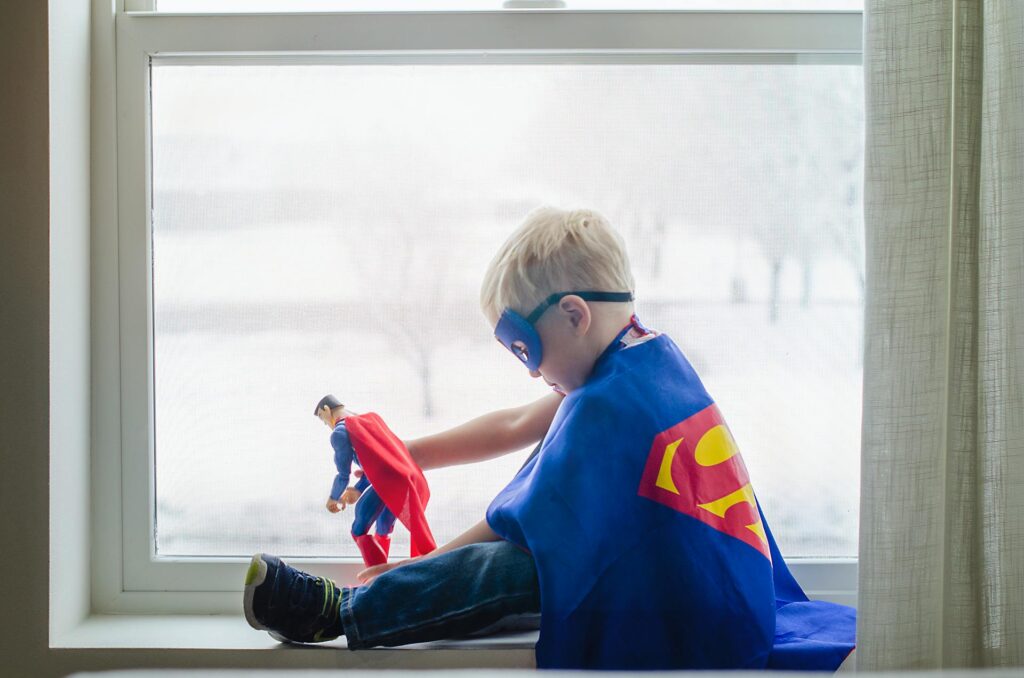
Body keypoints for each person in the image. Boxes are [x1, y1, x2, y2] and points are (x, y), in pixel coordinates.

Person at [243, 207, 856, 669]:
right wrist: (409, 455)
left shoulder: (611, 407)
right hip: (713, 584)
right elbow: (519, 423)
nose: (532, 370)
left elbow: (516, 527)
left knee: (506, 571)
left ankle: (338, 613)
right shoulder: (645, 359)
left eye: (526, 350)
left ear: (573, 315)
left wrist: (416, 567)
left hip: (681, 598)